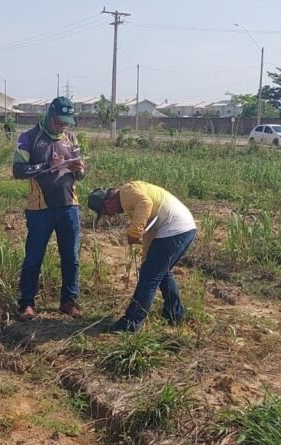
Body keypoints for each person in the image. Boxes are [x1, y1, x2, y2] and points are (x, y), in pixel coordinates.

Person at [87, 182, 196, 332]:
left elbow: (146, 203)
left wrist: (133, 232)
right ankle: (174, 314)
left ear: (108, 202)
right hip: (183, 228)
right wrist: (146, 258)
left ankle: (132, 322)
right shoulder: (131, 200)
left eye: (106, 212)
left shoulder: (127, 192)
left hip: (174, 229)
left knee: (149, 278)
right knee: (161, 273)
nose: (110, 215)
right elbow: (150, 229)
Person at [12, 97, 85, 321]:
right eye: (58, 121)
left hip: (69, 207)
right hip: (40, 209)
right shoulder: (29, 138)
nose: (62, 126)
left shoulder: (70, 138)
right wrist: (47, 166)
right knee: (34, 257)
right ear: (49, 115)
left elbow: (81, 175)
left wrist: (79, 168)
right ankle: (27, 303)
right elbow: (18, 170)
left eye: (65, 122)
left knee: (70, 257)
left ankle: (68, 301)